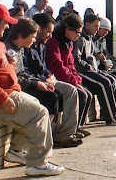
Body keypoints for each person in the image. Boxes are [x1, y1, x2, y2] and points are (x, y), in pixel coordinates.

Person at [0, 2, 64, 176]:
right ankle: (37, 163)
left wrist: (7, 64)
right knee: (39, 113)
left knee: (37, 106)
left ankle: (17, 151)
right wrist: (3, 99)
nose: (8, 26)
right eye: (5, 22)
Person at [5, 18, 82, 148]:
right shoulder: (10, 49)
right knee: (50, 98)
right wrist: (38, 83)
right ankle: (38, 142)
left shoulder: (23, 48)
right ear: (22, 35)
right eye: (33, 36)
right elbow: (15, 76)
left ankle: (58, 134)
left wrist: (47, 76)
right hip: (17, 89)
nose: (34, 39)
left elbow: (29, 70)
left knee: (63, 93)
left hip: (34, 80)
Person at [25, 14, 85, 144]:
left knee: (80, 93)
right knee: (68, 91)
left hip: (47, 79)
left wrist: (48, 75)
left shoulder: (41, 45)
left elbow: (46, 66)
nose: (50, 35)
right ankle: (62, 134)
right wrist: (43, 80)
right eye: (48, 32)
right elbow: (56, 65)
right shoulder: (46, 43)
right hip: (37, 82)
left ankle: (69, 130)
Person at [74, 14, 116, 125]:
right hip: (82, 71)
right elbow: (76, 58)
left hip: (91, 70)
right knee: (105, 83)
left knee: (113, 80)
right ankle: (112, 118)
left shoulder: (89, 38)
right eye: (95, 26)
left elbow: (91, 54)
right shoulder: (81, 39)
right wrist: (89, 66)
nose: (97, 29)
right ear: (87, 24)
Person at [45, 14, 93, 138]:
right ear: (67, 30)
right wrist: (73, 81)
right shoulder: (54, 42)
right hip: (57, 78)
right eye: (77, 32)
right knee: (80, 94)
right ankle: (66, 131)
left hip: (67, 78)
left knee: (87, 94)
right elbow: (57, 65)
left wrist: (77, 79)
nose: (78, 36)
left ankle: (77, 126)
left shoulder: (68, 43)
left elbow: (70, 65)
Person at [93, 16, 116, 103]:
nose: (106, 33)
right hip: (95, 70)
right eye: (105, 29)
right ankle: (112, 108)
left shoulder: (99, 40)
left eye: (108, 31)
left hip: (101, 69)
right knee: (113, 80)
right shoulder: (91, 40)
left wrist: (105, 62)